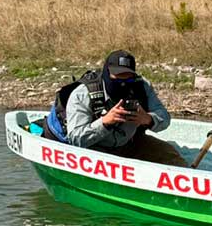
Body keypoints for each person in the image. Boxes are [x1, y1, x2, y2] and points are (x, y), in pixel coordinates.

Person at [45, 50, 185, 166]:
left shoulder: (141, 87)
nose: (123, 83)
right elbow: (76, 139)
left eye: (128, 78)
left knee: (170, 155)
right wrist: (105, 122)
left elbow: (165, 118)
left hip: (129, 144)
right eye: (117, 77)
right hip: (93, 150)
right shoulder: (83, 94)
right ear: (107, 73)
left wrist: (149, 119)